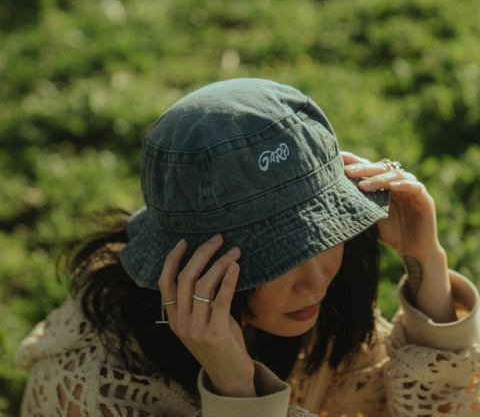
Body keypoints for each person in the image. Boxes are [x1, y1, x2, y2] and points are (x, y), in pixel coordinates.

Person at [17, 78, 480, 416]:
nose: (317, 280)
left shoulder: (313, 320)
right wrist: (235, 389)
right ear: (192, 268)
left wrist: (426, 262)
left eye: (325, 235)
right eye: (281, 257)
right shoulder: (94, 388)